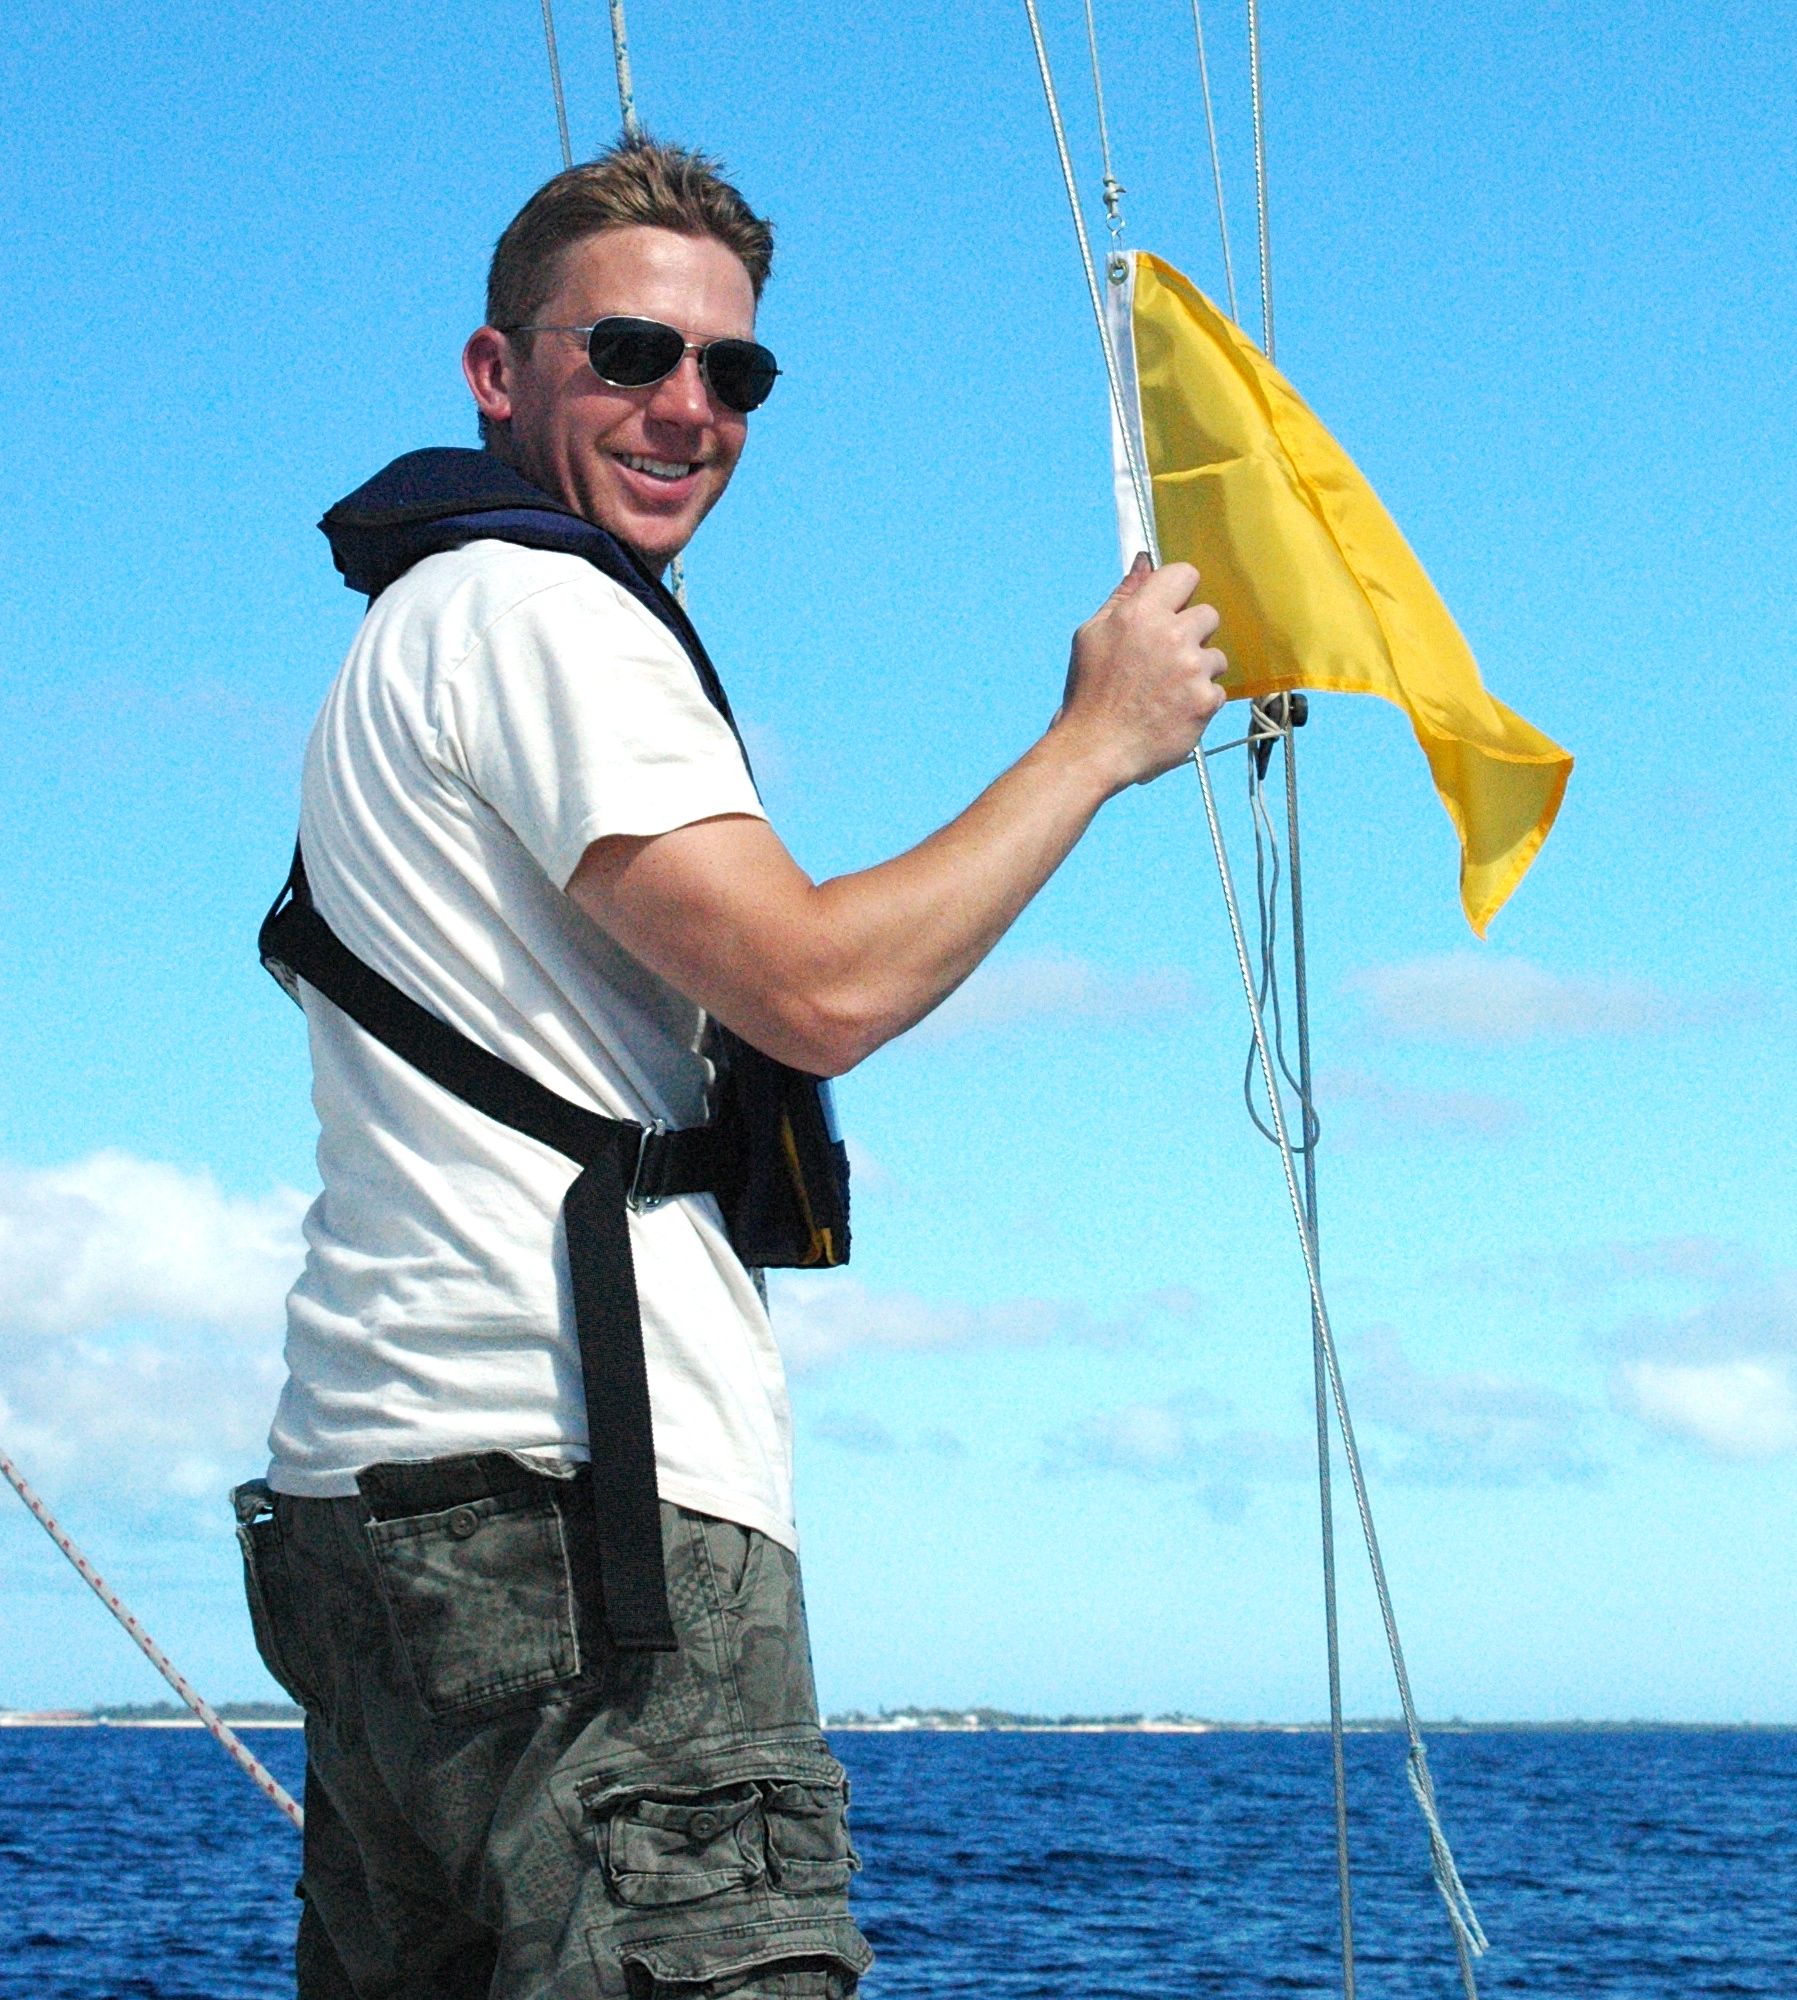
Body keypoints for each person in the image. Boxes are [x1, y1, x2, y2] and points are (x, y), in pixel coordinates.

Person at [235, 135, 1225, 2000]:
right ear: (497, 371)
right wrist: (1097, 740)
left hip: (381, 1531)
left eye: (733, 370)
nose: (686, 406)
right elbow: (817, 991)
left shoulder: (421, 626)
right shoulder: (541, 616)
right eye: (627, 353)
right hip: (580, 1531)